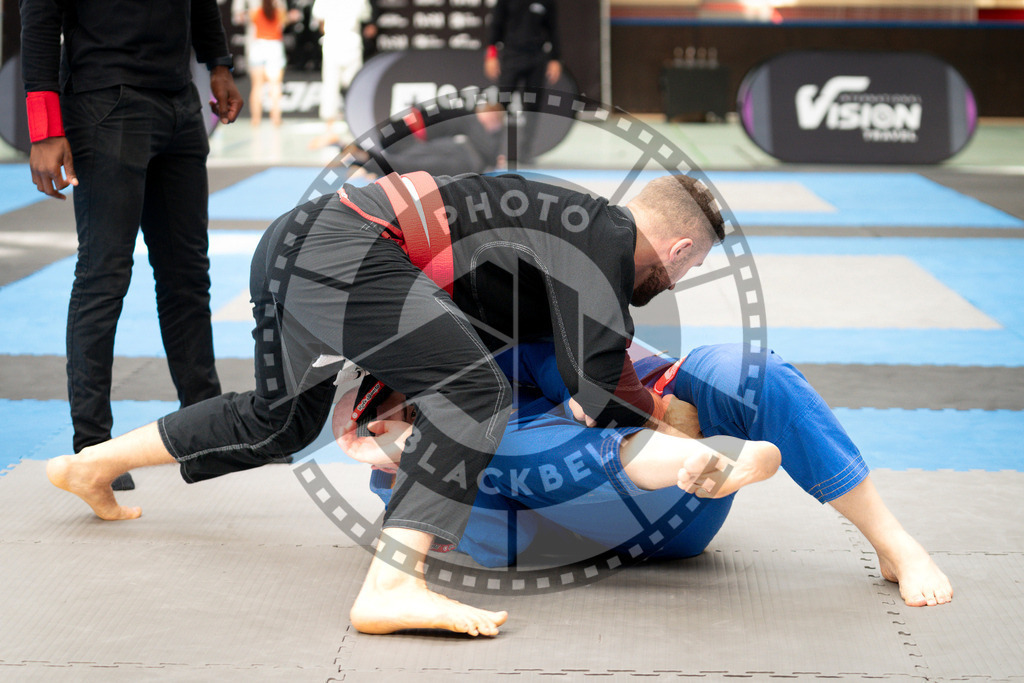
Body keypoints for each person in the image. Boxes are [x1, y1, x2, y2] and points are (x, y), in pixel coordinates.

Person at [44, 171, 724, 636]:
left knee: (278, 422)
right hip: (343, 246)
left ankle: (93, 464)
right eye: (687, 270)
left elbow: (563, 355)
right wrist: (669, 421)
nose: (676, 281)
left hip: (302, 240)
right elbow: (598, 380)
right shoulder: (601, 244)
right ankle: (393, 584)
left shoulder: (564, 230)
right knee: (472, 391)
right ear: (681, 248)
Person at [338, 341, 953, 608]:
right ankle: (694, 461)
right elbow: (507, 550)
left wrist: (627, 407)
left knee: (753, 371)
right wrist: (413, 462)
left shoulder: (529, 338)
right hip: (604, 517)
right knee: (497, 446)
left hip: (680, 507)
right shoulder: (403, 471)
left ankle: (895, 544)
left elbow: (656, 386)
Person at [21, 0, 244, 490]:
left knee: (188, 274)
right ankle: (93, 449)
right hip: (105, 101)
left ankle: (205, 432)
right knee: (104, 273)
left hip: (179, 102)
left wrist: (219, 65)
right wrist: (44, 128)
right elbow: (40, 15)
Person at [484, 0, 562, 161]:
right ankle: (492, 150)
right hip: (511, 54)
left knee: (532, 105)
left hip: (536, 57)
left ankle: (526, 153)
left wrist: (555, 59)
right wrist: (491, 56)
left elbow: (553, 29)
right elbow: (496, 25)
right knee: (502, 102)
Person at [345, 104, 506, 177]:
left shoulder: (463, 115)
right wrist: (496, 157)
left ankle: (364, 159)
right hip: (405, 136)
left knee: (408, 163)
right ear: (490, 116)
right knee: (410, 165)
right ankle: (367, 161)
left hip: (400, 132)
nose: (490, 130)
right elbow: (487, 148)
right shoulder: (472, 119)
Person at [309, 0, 376, 149]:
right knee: (338, 87)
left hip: (345, 43)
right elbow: (365, 17)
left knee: (345, 87)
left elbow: (319, 20)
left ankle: (349, 128)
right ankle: (336, 129)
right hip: (337, 43)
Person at [248, 0, 300, 127]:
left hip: (258, 46)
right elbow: (284, 22)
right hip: (274, 47)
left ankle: (255, 119)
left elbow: (251, 19)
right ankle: (276, 118)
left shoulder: (256, 11)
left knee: (257, 86)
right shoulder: (279, 10)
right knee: (275, 85)